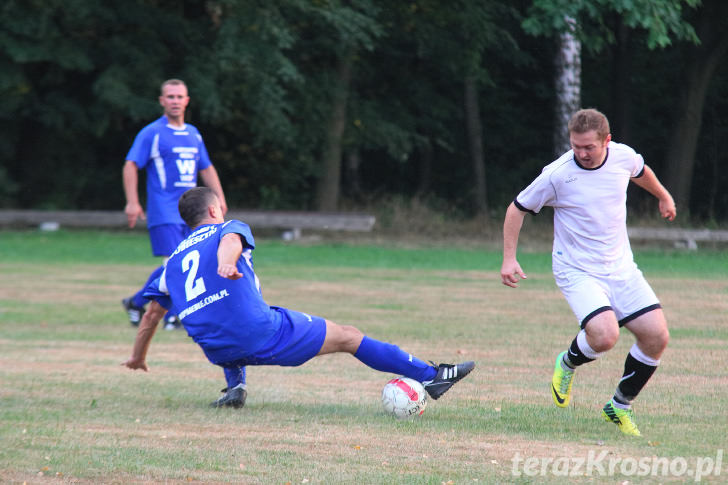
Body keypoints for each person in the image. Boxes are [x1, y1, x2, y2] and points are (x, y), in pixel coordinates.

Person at [122, 187, 475, 409]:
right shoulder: (228, 229)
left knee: (226, 313)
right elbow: (230, 244)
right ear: (215, 211)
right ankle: (432, 376)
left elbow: (152, 315)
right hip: (258, 334)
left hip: (217, 351)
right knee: (348, 336)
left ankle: (236, 387)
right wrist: (226, 264)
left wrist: (138, 357)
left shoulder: (170, 266)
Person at [500, 108, 676, 437]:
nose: (581, 153)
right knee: (605, 335)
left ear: (606, 141)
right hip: (576, 268)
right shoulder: (558, 174)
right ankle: (567, 364)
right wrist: (509, 259)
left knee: (656, 337)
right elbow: (517, 208)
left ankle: (619, 406)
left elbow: (640, 171)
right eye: (575, 146)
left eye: (588, 147)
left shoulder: (622, 157)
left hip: (621, 267)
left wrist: (663, 196)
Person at [121, 79, 228, 331]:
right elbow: (130, 164)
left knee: (186, 262)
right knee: (174, 265)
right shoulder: (152, 133)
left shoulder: (193, 134)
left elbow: (206, 167)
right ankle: (173, 316)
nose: (175, 101)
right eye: (170, 97)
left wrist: (219, 198)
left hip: (192, 211)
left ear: (187, 100)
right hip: (164, 210)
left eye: (180, 97)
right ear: (161, 101)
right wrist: (133, 202)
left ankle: (136, 302)